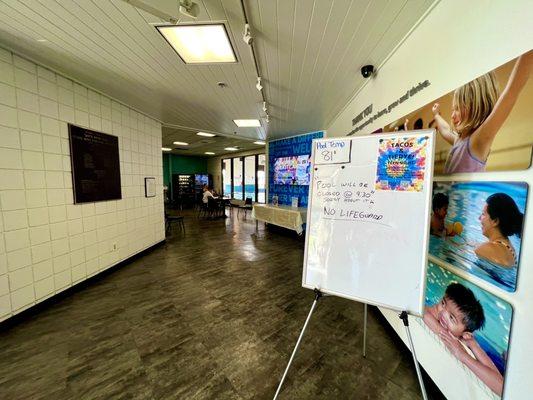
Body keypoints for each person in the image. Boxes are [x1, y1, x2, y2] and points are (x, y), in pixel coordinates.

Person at [432, 51, 532, 173]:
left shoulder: (478, 141)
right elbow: (445, 129)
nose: (452, 115)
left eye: (457, 108)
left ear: (475, 106)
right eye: (453, 109)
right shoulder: (459, 141)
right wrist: (436, 114)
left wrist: (528, 51)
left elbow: (511, 92)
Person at [424, 283, 503, 396]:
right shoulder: (428, 313)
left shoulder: (462, 340)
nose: (442, 312)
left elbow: (501, 387)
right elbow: (425, 313)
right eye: (443, 303)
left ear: (465, 334)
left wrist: (471, 347)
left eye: (451, 318)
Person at [475, 193, 523, 267]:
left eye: (483, 214)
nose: (479, 218)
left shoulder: (483, 250)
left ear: (495, 221)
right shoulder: (511, 250)